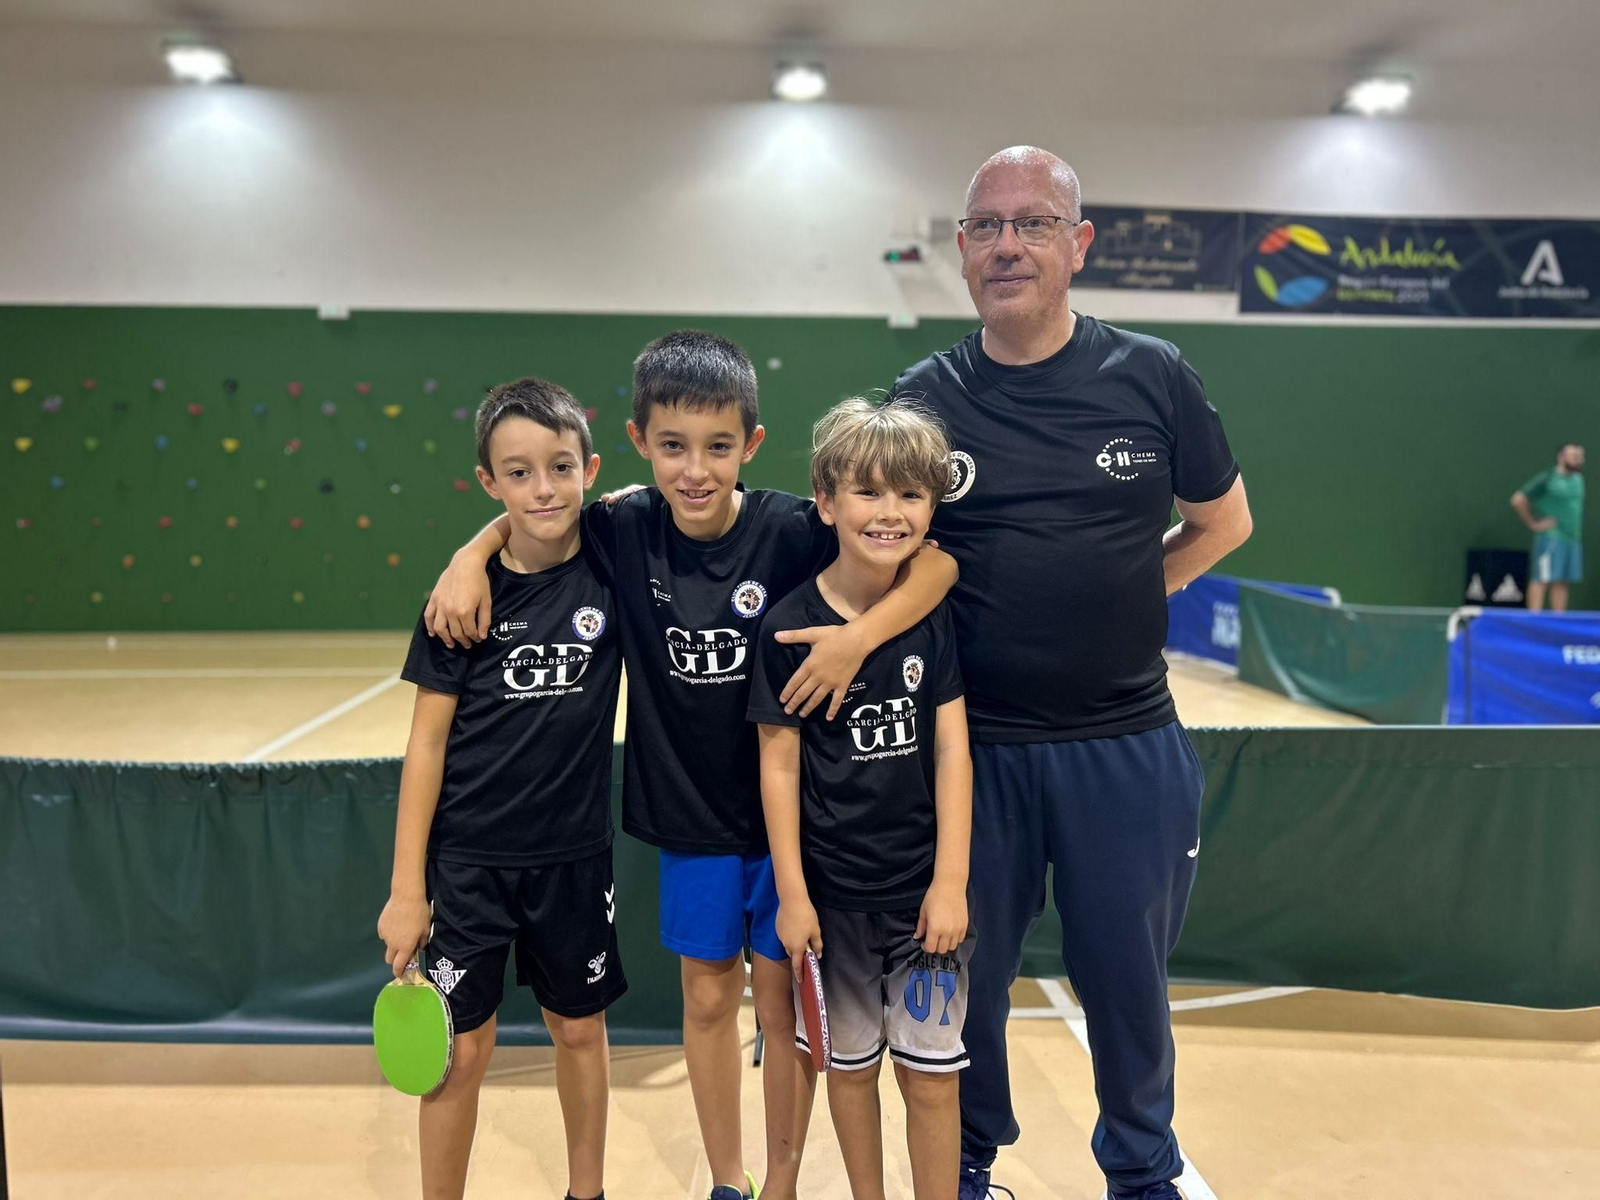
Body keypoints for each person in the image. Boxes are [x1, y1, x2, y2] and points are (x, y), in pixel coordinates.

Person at [422, 331, 958, 1200]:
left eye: (717, 447)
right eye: (672, 447)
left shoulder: (792, 528)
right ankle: (727, 1180)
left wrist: (859, 637)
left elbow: (935, 562)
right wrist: (470, 554)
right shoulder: (622, 529)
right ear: (637, 442)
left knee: (784, 1014)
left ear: (750, 444)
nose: (695, 469)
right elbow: (537, 510)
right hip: (690, 822)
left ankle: (782, 1177)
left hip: (797, 829)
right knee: (708, 1004)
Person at [892, 147, 1253, 1200]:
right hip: (973, 753)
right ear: (961, 251)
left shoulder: (1151, 374)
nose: (1008, 244)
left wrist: (1147, 588)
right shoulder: (923, 395)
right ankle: (965, 1160)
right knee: (963, 981)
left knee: (1127, 983)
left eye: (1033, 223)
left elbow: (1223, 521)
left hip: (1126, 746)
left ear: (1076, 244)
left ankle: (1141, 1170)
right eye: (986, 226)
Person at [377, 377, 626, 1200]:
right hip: (470, 864)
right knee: (462, 1047)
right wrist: (406, 890)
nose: (543, 488)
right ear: (489, 483)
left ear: (589, 467)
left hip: (574, 860)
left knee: (578, 1029)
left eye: (561, 467)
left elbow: (665, 499)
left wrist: (472, 544)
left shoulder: (614, 561)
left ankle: (584, 1193)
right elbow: (425, 745)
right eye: (518, 474)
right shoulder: (457, 607)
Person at [749, 396, 973, 1200]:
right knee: (849, 1073)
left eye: (911, 495)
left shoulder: (931, 617)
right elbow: (779, 768)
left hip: (924, 904)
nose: (890, 512)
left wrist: (950, 881)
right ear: (826, 502)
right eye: (869, 492)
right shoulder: (787, 628)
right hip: (833, 903)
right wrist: (793, 896)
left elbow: (952, 748)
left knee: (934, 1080)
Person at [1512, 442, 1585, 612]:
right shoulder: (1548, 478)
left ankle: (1557, 624)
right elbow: (1518, 499)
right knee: (1541, 578)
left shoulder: (1579, 480)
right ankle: (1534, 623)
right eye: (1574, 456)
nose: (1579, 460)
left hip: (1572, 538)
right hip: (1551, 538)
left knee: (1562, 581)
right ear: (1561, 457)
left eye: (1580, 457)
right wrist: (1533, 523)